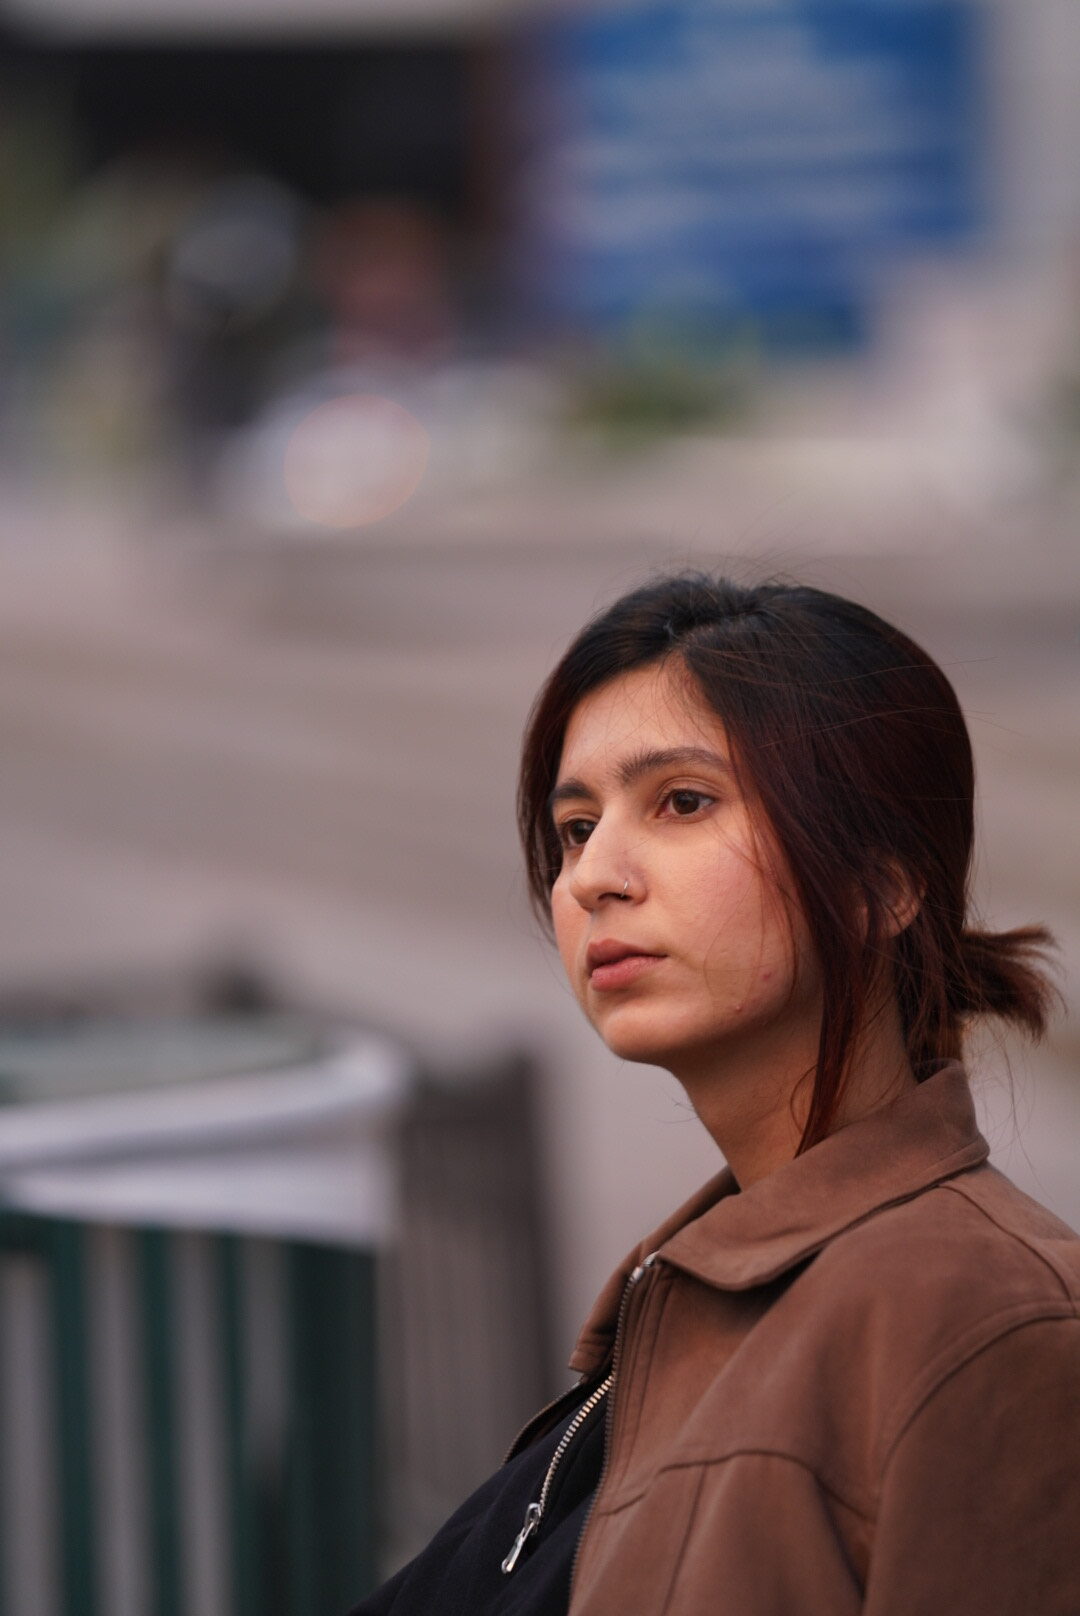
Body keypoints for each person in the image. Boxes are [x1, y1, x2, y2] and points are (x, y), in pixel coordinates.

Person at [349, 572, 1080, 1616]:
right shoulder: (678, 1302)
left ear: (882, 880)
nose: (596, 873)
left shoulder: (989, 1320)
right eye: (574, 826)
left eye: (682, 801)